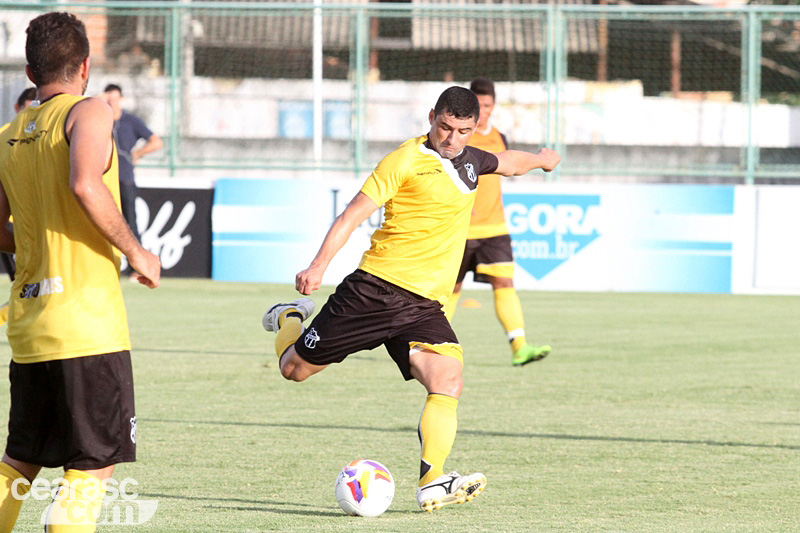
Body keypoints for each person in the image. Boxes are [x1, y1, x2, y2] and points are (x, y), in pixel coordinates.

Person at [262, 86, 560, 512]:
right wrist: (317, 267)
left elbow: (509, 164)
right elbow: (350, 215)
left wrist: (541, 160)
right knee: (294, 369)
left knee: (448, 379)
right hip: (373, 292)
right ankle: (290, 317)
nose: (452, 138)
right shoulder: (403, 160)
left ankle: (432, 481)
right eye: (445, 127)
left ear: (474, 129)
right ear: (431, 117)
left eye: (463, 130)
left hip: (422, 306)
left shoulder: (472, 159)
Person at [0, 12, 161, 532]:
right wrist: (137, 251)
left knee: (21, 459)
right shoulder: (89, 111)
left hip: (30, 327)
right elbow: (85, 185)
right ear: (86, 66)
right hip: (86, 324)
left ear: (30, 72)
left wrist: (36, 236)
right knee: (94, 462)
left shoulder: (9, 132)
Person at [444, 77, 551, 367]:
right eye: (479, 105)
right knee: (450, 289)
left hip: (495, 226)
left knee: (504, 282)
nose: (484, 110)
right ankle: (432, 346)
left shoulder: (499, 137)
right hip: (459, 228)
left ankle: (520, 346)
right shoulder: (455, 138)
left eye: (488, 105)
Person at [101, 83, 162, 258]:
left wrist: (139, 153)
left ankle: (137, 264)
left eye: (114, 98)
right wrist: (99, 99)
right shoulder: (98, 118)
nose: (111, 101)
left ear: (121, 99)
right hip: (103, 179)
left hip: (124, 177)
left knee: (130, 222)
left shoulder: (131, 121)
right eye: (108, 98)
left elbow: (156, 141)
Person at [0, 87, 37, 325]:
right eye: (28, 109)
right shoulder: (5, 135)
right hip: (11, 227)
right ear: (17, 108)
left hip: (29, 226)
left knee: (28, 290)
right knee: (28, 289)